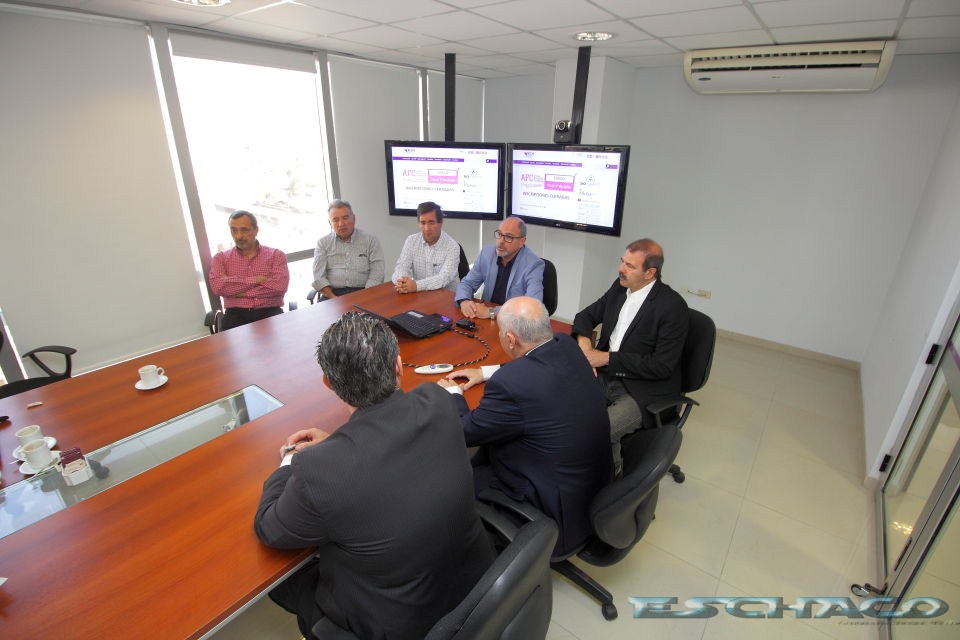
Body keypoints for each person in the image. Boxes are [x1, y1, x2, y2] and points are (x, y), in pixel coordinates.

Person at [253, 312, 495, 640]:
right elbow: (388, 444)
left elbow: (269, 528)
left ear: (329, 384)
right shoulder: (438, 401)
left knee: (286, 582)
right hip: (477, 591)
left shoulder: (317, 472)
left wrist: (289, 461)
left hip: (399, 626)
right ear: (398, 365)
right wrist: (337, 445)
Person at [439, 297, 613, 555]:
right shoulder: (566, 345)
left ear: (510, 339)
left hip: (554, 516)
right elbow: (534, 363)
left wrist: (453, 395)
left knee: (448, 484)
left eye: (500, 333)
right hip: (593, 495)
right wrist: (485, 372)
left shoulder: (511, 384)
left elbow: (465, 431)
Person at [571, 238, 688, 474]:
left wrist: (605, 358)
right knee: (557, 405)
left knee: (596, 432)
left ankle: (614, 482)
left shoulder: (672, 306)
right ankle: (604, 465)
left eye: (629, 266)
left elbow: (662, 366)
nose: (620, 269)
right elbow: (585, 317)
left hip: (644, 389)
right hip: (606, 373)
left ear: (650, 273)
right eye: (622, 261)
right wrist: (585, 348)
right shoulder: (620, 287)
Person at [209, 210, 290, 331]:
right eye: (233, 230)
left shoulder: (276, 255)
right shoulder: (220, 258)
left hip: (270, 311)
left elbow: (279, 286)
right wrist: (257, 280)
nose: (238, 236)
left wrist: (237, 292)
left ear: (256, 230)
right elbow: (218, 287)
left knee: (281, 340)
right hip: (235, 314)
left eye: (244, 230)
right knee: (231, 342)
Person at [455, 216, 545, 319]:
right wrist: (464, 301)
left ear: (522, 241)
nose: (501, 241)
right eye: (499, 234)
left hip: (514, 321)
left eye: (508, 237)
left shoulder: (533, 264)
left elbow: (532, 305)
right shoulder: (487, 253)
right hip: (484, 318)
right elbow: (468, 283)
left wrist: (491, 312)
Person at [311, 199, 384, 299]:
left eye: (345, 218)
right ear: (330, 223)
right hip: (332, 295)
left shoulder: (370, 241)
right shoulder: (323, 243)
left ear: (353, 218)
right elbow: (319, 277)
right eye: (335, 220)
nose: (341, 224)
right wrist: (334, 299)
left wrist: (365, 297)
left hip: (364, 293)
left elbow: (377, 274)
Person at [392, 201, 461, 293]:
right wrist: (402, 282)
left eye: (431, 223)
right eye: (423, 223)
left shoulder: (452, 246)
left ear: (441, 223)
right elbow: (401, 267)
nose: (427, 228)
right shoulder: (411, 241)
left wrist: (416, 286)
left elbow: (444, 278)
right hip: (419, 295)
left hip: (445, 297)